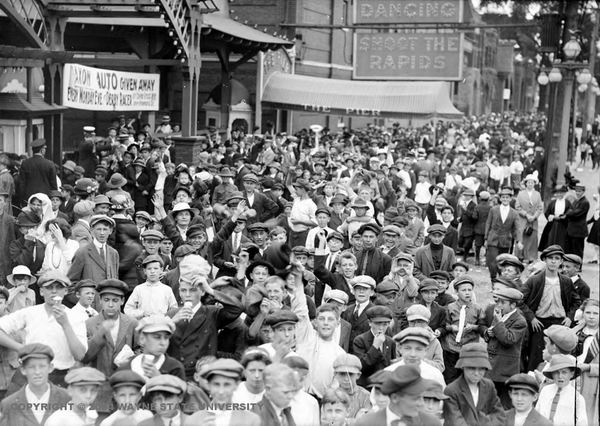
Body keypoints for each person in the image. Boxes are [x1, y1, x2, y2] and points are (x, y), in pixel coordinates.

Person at [0, 271, 87, 390]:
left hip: (60, 377)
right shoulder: (30, 312)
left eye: (59, 287)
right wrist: (21, 348)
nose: (54, 291)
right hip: (30, 373)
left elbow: (80, 355)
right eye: (49, 287)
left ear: (66, 291)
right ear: (41, 291)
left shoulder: (76, 317)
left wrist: (65, 324)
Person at [168, 275, 244, 380]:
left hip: (203, 372)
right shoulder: (172, 314)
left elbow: (236, 308)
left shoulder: (211, 312)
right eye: (183, 290)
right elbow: (157, 339)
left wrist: (210, 289)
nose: (188, 294)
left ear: (202, 292)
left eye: (193, 290)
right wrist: (171, 322)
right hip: (177, 373)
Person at [520, 245, 581, 371]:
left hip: (560, 324)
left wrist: (569, 317)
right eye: (550, 258)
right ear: (544, 260)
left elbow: (577, 301)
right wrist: (531, 318)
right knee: (536, 358)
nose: (553, 261)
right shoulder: (535, 280)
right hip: (539, 324)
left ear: (561, 261)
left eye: (557, 258)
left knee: (558, 357)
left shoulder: (565, 281)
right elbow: (520, 299)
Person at [0, 343, 70, 426]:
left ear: (50, 368)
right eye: (31, 367)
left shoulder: (68, 398)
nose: (37, 372)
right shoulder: (8, 404)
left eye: (42, 366)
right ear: (23, 370)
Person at [355, 364, 442, 426]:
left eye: (422, 397)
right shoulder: (366, 423)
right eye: (415, 398)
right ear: (395, 398)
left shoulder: (431, 423)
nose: (422, 403)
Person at [442, 342, 505, 426]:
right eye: (472, 368)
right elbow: (455, 421)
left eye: (481, 369)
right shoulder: (452, 391)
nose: (476, 373)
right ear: (463, 367)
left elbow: (499, 415)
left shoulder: (489, 386)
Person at [484, 287, 527, 408]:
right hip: (492, 367)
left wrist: (498, 325)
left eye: (503, 302)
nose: (499, 305)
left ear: (513, 305)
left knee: (504, 404)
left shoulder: (520, 321)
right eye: (498, 301)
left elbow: (509, 339)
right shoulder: (501, 316)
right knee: (490, 401)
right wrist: (488, 333)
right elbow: (492, 334)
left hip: (505, 370)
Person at [186, 358, 261, 425]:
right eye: (216, 384)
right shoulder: (193, 421)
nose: (221, 391)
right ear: (209, 385)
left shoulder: (251, 421)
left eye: (227, 385)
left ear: (236, 385)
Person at [441, 276, 485, 383]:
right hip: (451, 348)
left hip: (468, 349)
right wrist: (451, 327)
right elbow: (444, 325)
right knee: (450, 377)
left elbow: (482, 326)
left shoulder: (477, 309)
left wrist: (474, 327)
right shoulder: (450, 307)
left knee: (465, 378)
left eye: (469, 290)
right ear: (456, 292)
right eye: (463, 290)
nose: (467, 293)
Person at [119, 315, 185, 381]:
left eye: (166, 338)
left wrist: (159, 379)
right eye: (157, 337)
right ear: (142, 339)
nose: (163, 343)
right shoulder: (127, 367)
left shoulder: (175, 368)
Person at [535, 354, 588, 426]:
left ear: (571, 374)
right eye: (556, 372)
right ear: (552, 374)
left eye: (564, 372)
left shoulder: (577, 398)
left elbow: (582, 423)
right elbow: (536, 415)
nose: (560, 376)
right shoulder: (545, 391)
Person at [68, 215, 119, 287]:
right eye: (99, 229)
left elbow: (115, 280)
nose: (102, 233)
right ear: (92, 231)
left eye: (105, 229)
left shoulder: (114, 253)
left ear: (110, 231)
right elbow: (71, 281)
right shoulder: (82, 252)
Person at [352, 306, 395, 385]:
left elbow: (391, 365)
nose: (381, 328)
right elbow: (360, 367)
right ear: (369, 323)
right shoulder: (359, 340)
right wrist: (375, 347)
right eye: (378, 324)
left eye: (385, 324)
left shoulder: (390, 341)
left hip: (385, 386)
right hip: (366, 386)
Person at [484, 187, 521, 280]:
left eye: (507, 197)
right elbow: (488, 223)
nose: (505, 199)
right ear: (500, 199)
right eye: (503, 197)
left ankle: (500, 281)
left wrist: (518, 241)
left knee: (503, 263)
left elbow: (517, 228)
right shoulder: (493, 210)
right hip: (493, 239)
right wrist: (486, 238)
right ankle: (493, 279)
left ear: (510, 199)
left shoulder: (514, 213)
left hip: (506, 241)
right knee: (492, 262)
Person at [124, 255, 177, 319]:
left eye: (155, 268)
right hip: (143, 325)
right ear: (144, 271)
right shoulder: (139, 289)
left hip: (162, 325)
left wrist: (165, 318)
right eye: (149, 269)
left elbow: (174, 309)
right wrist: (141, 313)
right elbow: (127, 309)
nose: (152, 271)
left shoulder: (167, 289)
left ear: (161, 269)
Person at [17, 139, 57, 205]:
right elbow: (53, 185)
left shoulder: (25, 163)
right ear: (42, 150)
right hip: (45, 198)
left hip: (29, 198)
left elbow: (22, 184)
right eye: (44, 149)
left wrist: (22, 199)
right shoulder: (49, 164)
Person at [515, 174, 543, 264]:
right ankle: (520, 256)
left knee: (532, 237)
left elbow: (540, 207)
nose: (530, 184)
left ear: (534, 184)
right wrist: (526, 215)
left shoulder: (537, 194)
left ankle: (531, 257)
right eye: (528, 182)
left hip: (533, 220)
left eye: (532, 182)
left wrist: (534, 216)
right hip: (523, 219)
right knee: (521, 236)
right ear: (526, 183)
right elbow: (517, 206)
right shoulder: (521, 194)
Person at [332, 353, 371, 417]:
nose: (346, 379)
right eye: (342, 374)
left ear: (358, 375)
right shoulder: (330, 396)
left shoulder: (367, 397)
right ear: (335, 374)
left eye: (351, 374)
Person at [538, 185, 571, 251]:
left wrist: (561, 217)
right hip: (552, 224)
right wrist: (550, 217)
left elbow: (568, 214)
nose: (559, 194)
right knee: (550, 239)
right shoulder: (553, 202)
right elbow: (547, 212)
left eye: (561, 192)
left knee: (562, 240)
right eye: (558, 193)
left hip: (563, 225)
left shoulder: (567, 203)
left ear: (564, 193)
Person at [565, 184, 590, 258]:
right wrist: (570, 212)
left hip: (579, 231)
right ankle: (572, 267)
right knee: (571, 250)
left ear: (583, 192)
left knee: (578, 250)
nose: (577, 193)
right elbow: (569, 210)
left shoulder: (585, 202)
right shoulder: (576, 201)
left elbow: (575, 213)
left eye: (579, 191)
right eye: (576, 191)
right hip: (572, 230)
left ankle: (578, 267)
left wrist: (570, 212)